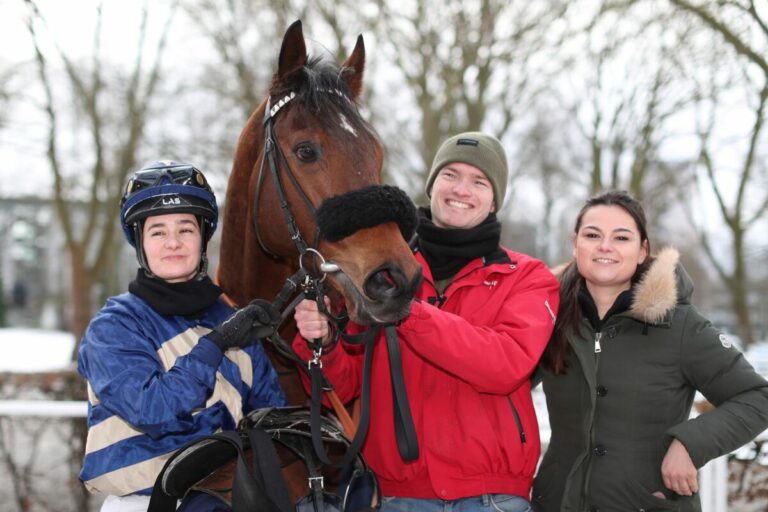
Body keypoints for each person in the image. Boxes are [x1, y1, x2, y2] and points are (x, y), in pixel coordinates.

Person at [293, 132, 560, 511]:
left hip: (493, 498)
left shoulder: (528, 277)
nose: (462, 189)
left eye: (479, 181)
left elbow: (505, 365)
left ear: (495, 199)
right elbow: (344, 386)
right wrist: (322, 342)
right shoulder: (379, 272)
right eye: (450, 174)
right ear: (432, 184)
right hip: (398, 496)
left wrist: (408, 311)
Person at [532, 190, 768, 512]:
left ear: (642, 251)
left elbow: (757, 397)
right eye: (592, 235)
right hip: (559, 503)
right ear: (575, 245)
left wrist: (689, 444)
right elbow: (498, 382)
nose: (605, 246)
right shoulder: (546, 317)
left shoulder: (680, 324)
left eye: (622, 237)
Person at [77, 160, 287, 511]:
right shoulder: (113, 327)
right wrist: (214, 346)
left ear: (202, 238)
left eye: (185, 230)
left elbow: (271, 419)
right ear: (141, 243)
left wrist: (316, 340)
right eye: (158, 232)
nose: (173, 243)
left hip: (227, 502)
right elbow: (153, 410)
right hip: (142, 503)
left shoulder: (232, 320)